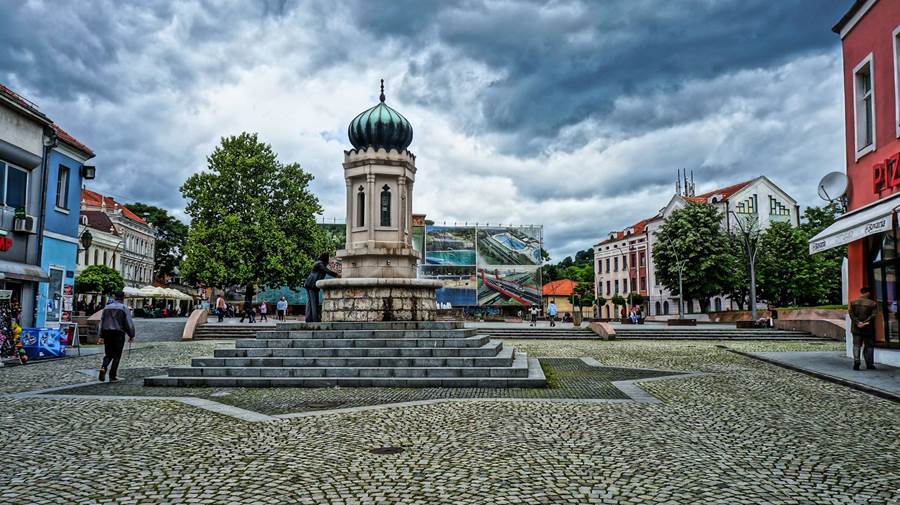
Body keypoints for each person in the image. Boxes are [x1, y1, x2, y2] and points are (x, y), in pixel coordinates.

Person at [98, 291, 135, 383]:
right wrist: (131, 334)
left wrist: (101, 335)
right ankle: (112, 376)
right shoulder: (123, 308)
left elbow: (101, 322)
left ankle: (103, 367)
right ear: (123, 298)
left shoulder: (106, 308)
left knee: (108, 353)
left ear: (114, 297)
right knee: (117, 355)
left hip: (107, 333)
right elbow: (128, 323)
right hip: (118, 333)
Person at [305, 253, 340, 323]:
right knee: (314, 303)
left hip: (309, 284)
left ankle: (309, 319)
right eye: (328, 258)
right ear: (325, 258)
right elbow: (326, 270)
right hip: (312, 285)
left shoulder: (318, 263)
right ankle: (315, 320)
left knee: (309, 303)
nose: (329, 260)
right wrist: (336, 275)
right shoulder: (320, 264)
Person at [849, 287, 878, 371]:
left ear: (861, 292)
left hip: (856, 328)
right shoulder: (872, 303)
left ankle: (856, 361)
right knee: (869, 346)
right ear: (867, 293)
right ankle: (869, 363)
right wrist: (865, 322)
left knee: (856, 345)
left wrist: (858, 322)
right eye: (869, 292)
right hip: (868, 328)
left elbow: (851, 314)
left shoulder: (853, 302)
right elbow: (873, 315)